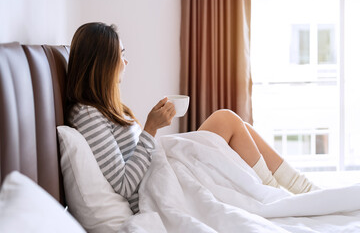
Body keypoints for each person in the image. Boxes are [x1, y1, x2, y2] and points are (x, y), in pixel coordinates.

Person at [66, 22, 319, 214]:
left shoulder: (103, 108)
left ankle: (299, 191)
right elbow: (123, 185)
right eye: (120, 55)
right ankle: (283, 196)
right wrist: (151, 129)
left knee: (233, 123)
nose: (126, 61)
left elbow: (134, 157)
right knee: (226, 120)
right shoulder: (87, 114)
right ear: (102, 64)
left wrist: (153, 132)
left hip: (161, 171)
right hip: (155, 190)